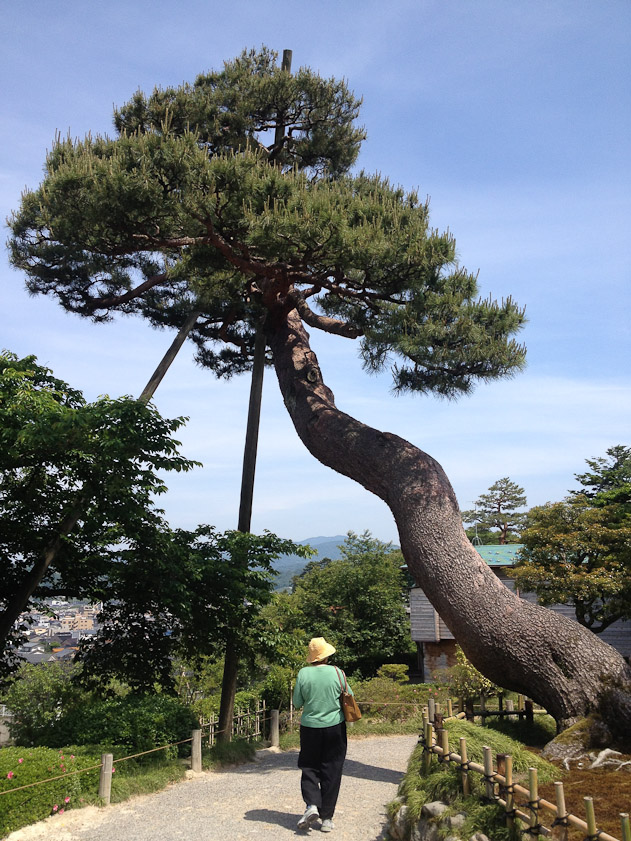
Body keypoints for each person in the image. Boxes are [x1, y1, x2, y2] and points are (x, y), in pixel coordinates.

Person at [293, 636, 353, 833]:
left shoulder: (303, 673)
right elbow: (349, 696)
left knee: (309, 766)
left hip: (310, 728)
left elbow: (297, 703)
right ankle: (327, 818)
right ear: (326, 655)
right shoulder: (337, 673)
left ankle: (312, 805)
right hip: (335, 727)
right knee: (332, 769)